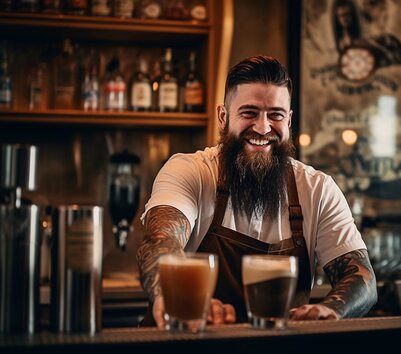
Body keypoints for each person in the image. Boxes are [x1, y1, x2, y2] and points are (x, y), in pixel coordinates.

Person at [136, 55, 378, 328]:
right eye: (249, 113)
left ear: (288, 121)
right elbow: (161, 241)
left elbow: (361, 278)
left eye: (275, 115)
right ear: (224, 117)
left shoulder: (318, 189)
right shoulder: (189, 171)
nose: (262, 128)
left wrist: (331, 311)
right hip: (191, 345)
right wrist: (175, 295)